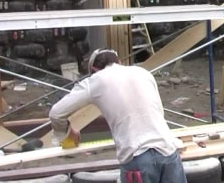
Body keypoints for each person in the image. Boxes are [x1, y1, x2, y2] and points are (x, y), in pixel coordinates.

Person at [49, 48, 187, 183]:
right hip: (168, 152)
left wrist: (68, 133)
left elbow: (56, 114)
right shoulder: (143, 73)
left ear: (94, 70)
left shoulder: (95, 81)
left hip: (137, 157)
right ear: (119, 62)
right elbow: (159, 112)